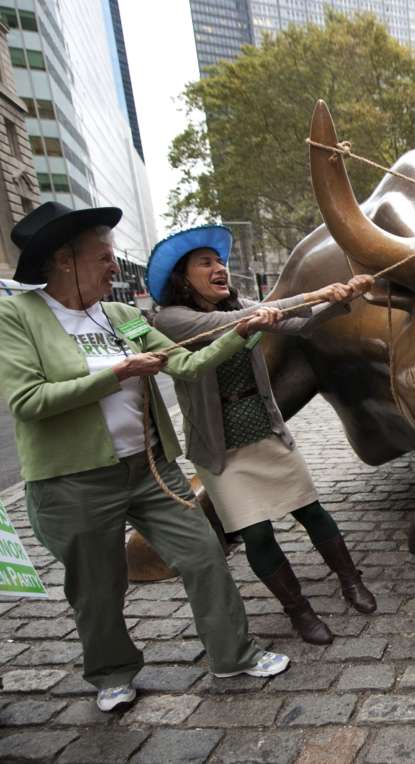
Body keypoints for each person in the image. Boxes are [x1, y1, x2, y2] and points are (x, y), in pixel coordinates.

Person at [0, 203, 290, 713]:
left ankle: (233, 654)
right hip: (74, 482)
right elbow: (28, 401)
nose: (115, 267)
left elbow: (188, 363)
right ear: (65, 259)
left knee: (205, 555)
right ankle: (112, 673)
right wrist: (117, 373)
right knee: (97, 587)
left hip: (152, 467)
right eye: (106, 257)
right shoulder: (16, 317)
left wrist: (240, 332)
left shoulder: (121, 315)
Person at [148, 225, 378, 645]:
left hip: (264, 427)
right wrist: (317, 292)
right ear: (182, 278)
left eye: (219, 262)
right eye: (206, 263)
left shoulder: (245, 307)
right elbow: (228, 326)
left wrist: (342, 298)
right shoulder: (172, 319)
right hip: (220, 447)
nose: (219, 268)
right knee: (256, 533)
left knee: (311, 510)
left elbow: (301, 324)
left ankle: (351, 580)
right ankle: (300, 612)